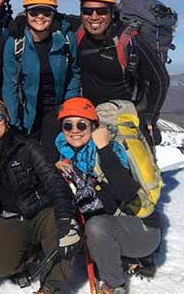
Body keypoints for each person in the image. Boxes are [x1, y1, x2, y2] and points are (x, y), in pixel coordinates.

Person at [0, 95, 81, 294]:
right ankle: (34, 251)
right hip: (11, 217)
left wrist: (65, 218)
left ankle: (52, 286)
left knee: (63, 234)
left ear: (6, 119)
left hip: (42, 211)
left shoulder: (26, 144)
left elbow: (54, 181)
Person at [54, 97, 162, 294]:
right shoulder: (68, 153)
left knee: (95, 227)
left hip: (144, 233)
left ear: (93, 127)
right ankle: (117, 258)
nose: (74, 130)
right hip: (118, 227)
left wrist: (104, 149)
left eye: (81, 124)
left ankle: (114, 284)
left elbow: (126, 192)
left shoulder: (111, 150)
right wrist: (69, 177)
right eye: (68, 125)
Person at [77, 0, 169, 148]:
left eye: (102, 11)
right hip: (92, 119)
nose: (94, 17)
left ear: (112, 12)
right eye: (87, 11)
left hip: (126, 121)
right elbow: (48, 18)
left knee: (136, 173)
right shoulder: (79, 32)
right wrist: (22, 19)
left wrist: (149, 118)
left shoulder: (129, 40)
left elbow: (160, 79)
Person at [3, 0, 80, 163]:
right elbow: (10, 85)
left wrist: (69, 107)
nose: (40, 16)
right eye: (34, 11)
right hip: (27, 113)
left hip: (56, 111)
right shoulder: (15, 44)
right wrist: (14, 123)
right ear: (26, 13)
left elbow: (74, 73)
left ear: (54, 13)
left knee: (50, 162)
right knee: (26, 161)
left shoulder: (66, 40)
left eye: (46, 12)